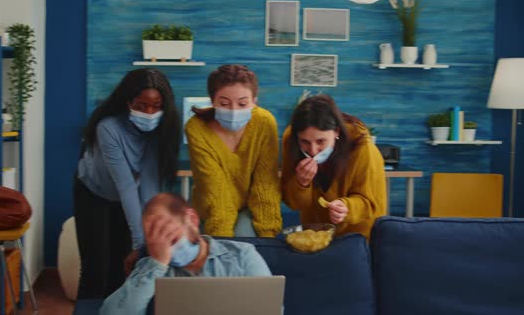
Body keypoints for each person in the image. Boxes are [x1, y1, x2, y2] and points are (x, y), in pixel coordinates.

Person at [74, 68, 181, 298]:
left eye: (156, 106)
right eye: (141, 106)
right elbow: (126, 186)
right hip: (93, 193)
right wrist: (140, 241)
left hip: (124, 196)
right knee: (94, 267)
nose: (149, 112)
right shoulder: (108, 128)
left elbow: (149, 187)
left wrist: (147, 240)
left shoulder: (159, 132)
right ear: (128, 102)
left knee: (122, 266)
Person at [99, 193, 272, 315]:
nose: (164, 247)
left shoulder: (242, 255)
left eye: (169, 236)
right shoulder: (149, 267)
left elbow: (271, 309)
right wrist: (157, 264)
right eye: (154, 241)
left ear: (192, 220)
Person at [184, 64, 282, 238]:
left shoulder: (265, 123)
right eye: (224, 103)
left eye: (243, 103)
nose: (234, 111)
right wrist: (221, 243)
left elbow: (265, 183)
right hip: (210, 206)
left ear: (255, 101)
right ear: (212, 101)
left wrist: (269, 237)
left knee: (247, 240)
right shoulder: (196, 128)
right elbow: (215, 191)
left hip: (250, 206)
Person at [280, 95, 386, 239]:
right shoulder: (290, 141)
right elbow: (293, 204)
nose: (313, 150)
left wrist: (346, 207)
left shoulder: (363, 148)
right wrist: (301, 184)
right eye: (305, 142)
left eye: (321, 141)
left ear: (336, 131)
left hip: (358, 236)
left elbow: (370, 204)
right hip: (315, 233)